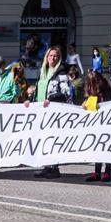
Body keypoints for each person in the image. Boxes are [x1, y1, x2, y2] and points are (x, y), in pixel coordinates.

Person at [29, 46, 74, 179]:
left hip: (54, 111)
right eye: (50, 55)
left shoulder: (61, 74)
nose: (52, 58)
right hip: (41, 111)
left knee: (52, 139)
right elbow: (38, 90)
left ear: (58, 58)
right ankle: (46, 166)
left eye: (55, 56)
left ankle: (54, 168)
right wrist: (30, 99)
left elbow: (66, 93)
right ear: (46, 57)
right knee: (43, 139)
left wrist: (51, 99)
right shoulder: (43, 72)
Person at [82, 70, 111, 183]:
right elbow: (86, 103)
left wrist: (99, 105)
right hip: (95, 125)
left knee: (106, 149)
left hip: (106, 124)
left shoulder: (106, 92)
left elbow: (110, 105)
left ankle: (107, 172)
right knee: (97, 149)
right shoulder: (90, 92)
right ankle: (96, 172)